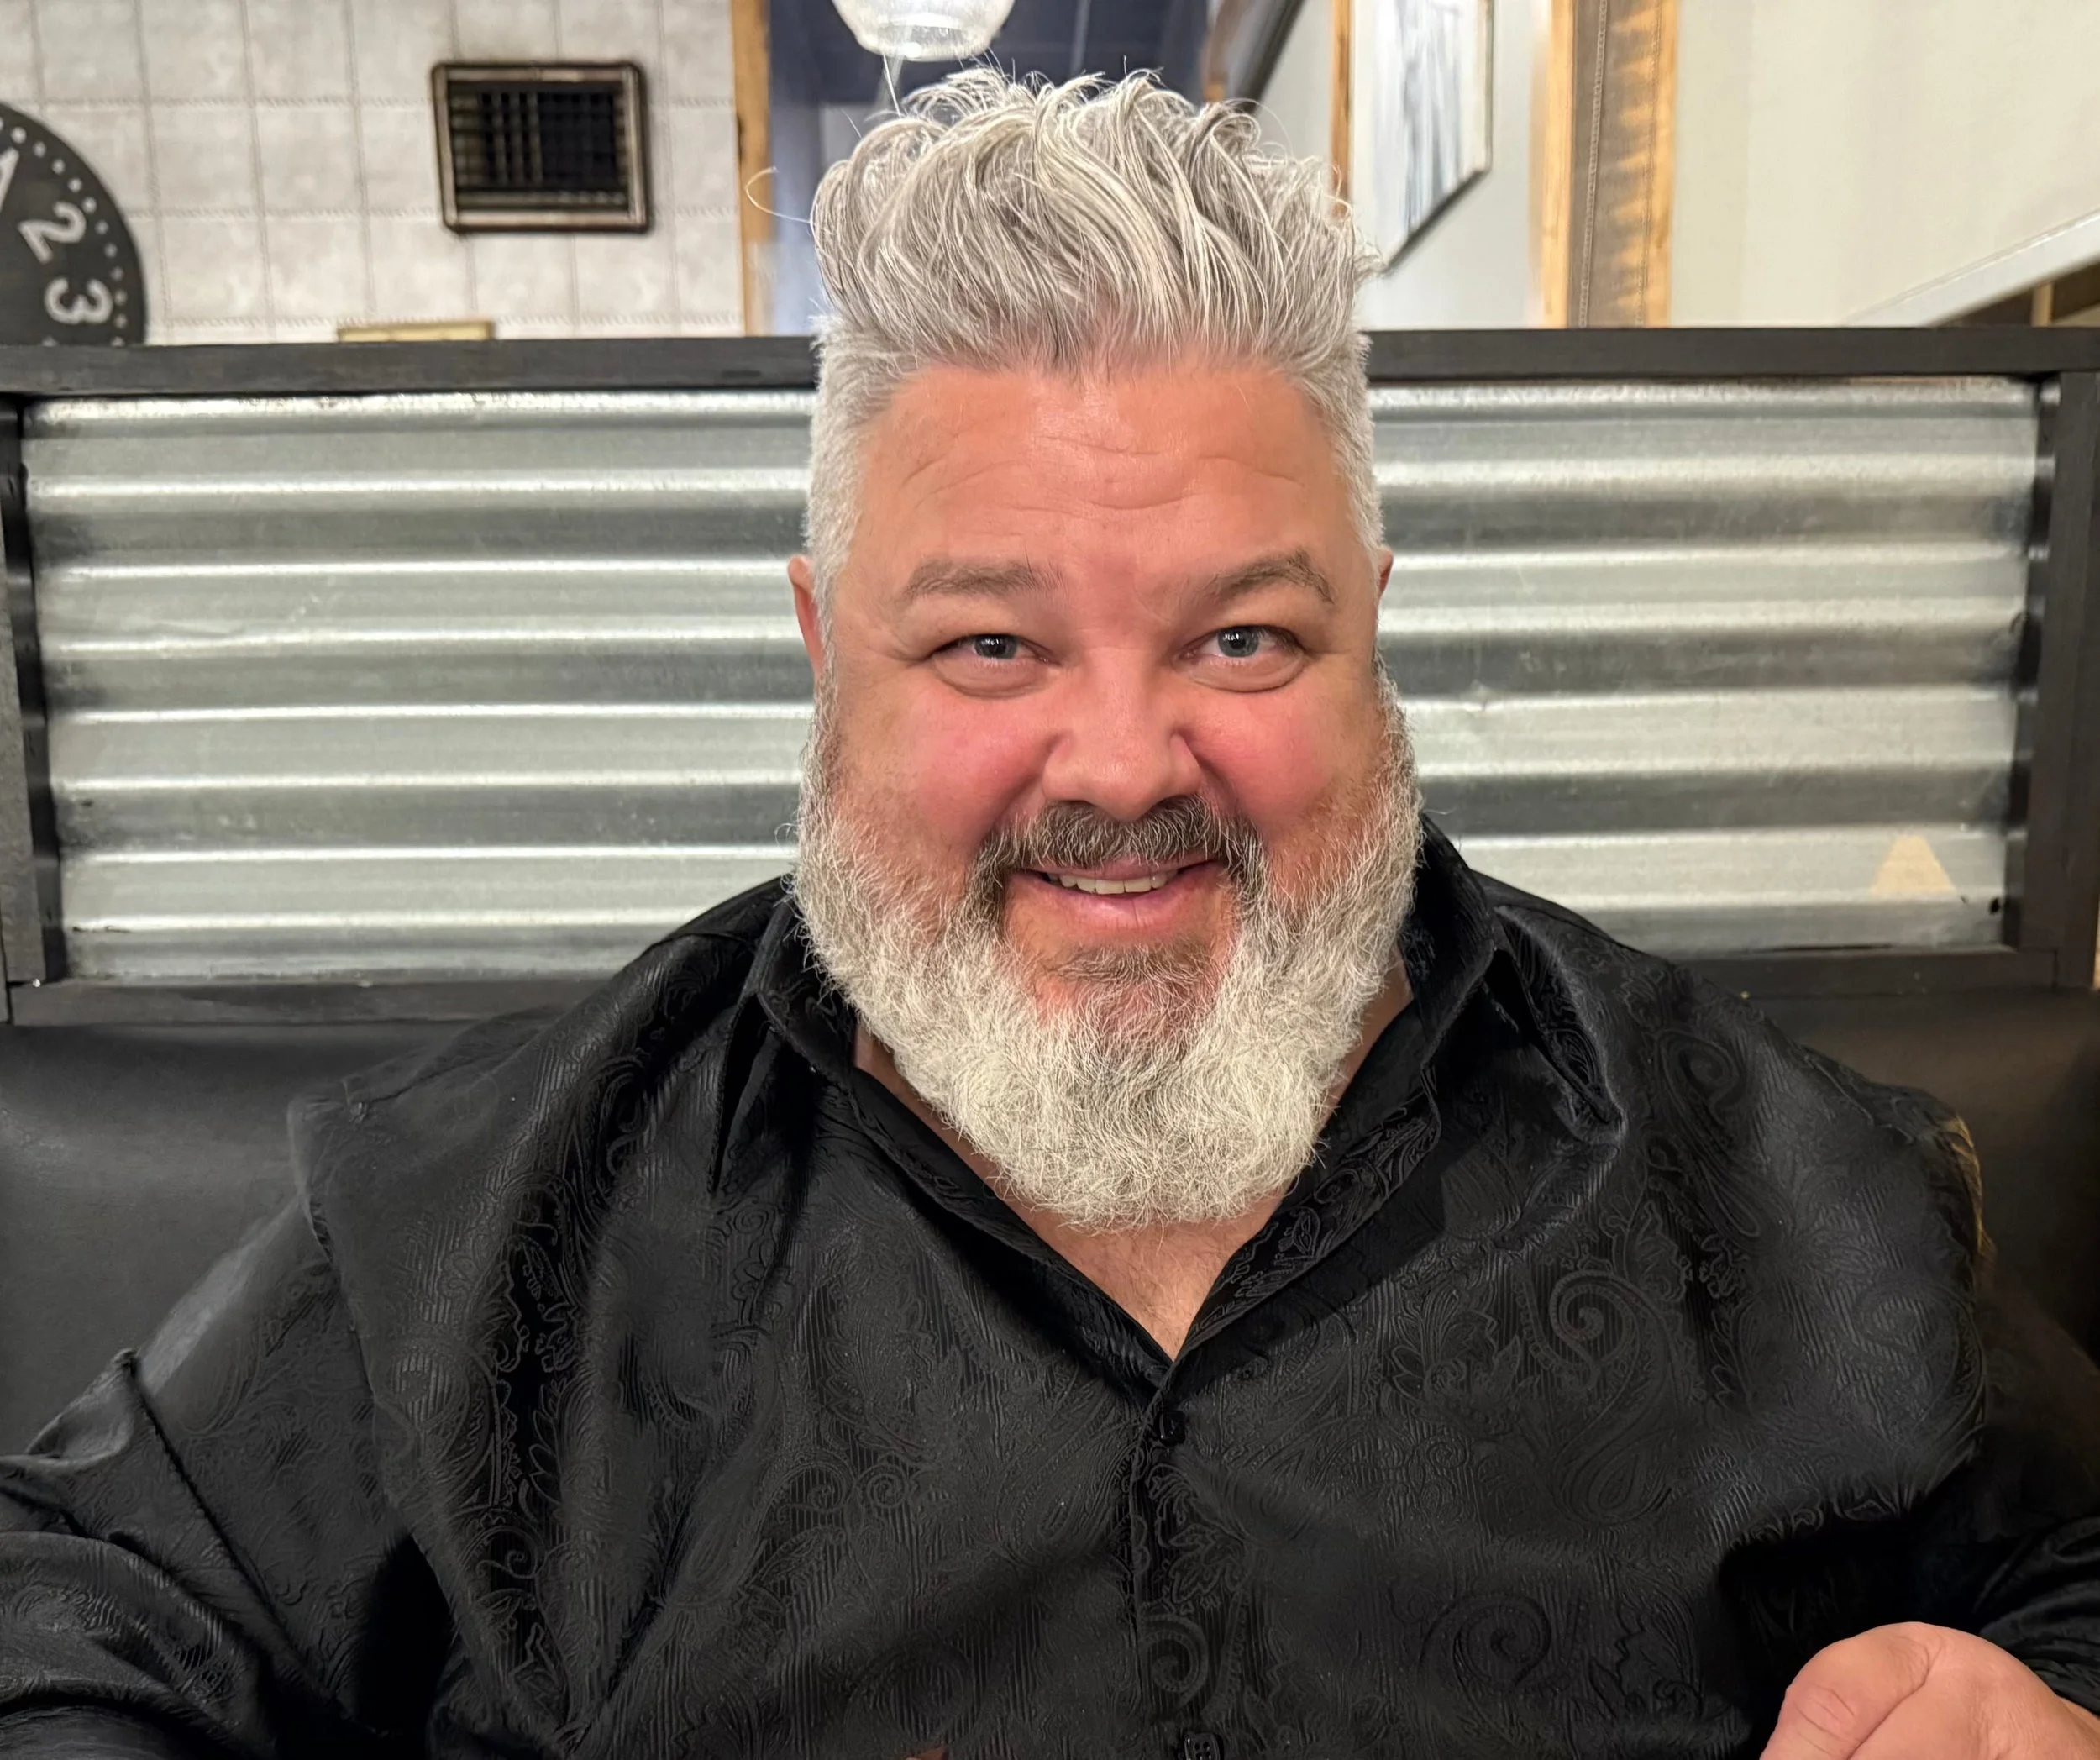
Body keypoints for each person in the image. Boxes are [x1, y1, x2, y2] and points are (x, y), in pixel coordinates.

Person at [4, 70, 2100, 1760]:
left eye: (1244, 641)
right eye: (992, 648)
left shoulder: (1783, 1189)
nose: (1119, 767)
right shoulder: (474, 1241)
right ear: (830, 654)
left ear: (1370, 634)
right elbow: (77, 1606)